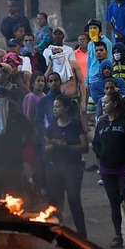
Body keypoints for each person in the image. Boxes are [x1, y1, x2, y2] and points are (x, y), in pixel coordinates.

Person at [93, 92, 125, 249]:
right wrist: (102, 157)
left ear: (115, 104)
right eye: (103, 102)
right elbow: (96, 143)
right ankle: (118, 235)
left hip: (124, 169)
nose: (103, 105)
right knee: (114, 203)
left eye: (106, 102)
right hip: (107, 170)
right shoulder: (101, 123)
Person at [44, 95, 88, 237]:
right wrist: (53, 145)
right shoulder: (51, 126)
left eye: (58, 106)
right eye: (54, 107)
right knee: (55, 202)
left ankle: (82, 235)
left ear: (66, 108)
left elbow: (84, 147)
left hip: (72, 167)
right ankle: (58, 233)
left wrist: (68, 146)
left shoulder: (75, 125)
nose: (55, 109)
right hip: (55, 167)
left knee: (74, 200)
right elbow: (45, 148)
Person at [85, 19, 113, 89]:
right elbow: (89, 63)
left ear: (99, 30)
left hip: (103, 77)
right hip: (92, 78)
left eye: (95, 28)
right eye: (90, 28)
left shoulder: (106, 42)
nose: (92, 30)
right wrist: (87, 80)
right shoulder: (90, 44)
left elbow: (109, 59)